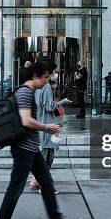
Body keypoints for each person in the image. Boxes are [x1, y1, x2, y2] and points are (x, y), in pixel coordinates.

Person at [0, 62, 81, 219]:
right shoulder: (25, 92)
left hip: (31, 149)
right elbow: (26, 121)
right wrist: (46, 127)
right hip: (23, 149)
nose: (47, 81)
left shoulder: (29, 91)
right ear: (35, 76)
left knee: (47, 182)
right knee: (15, 188)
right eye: (46, 77)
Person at [30, 63, 72, 192]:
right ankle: (44, 185)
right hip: (48, 126)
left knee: (45, 156)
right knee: (47, 158)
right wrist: (62, 102)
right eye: (54, 71)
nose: (55, 74)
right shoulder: (46, 86)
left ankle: (35, 181)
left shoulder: (37, 86)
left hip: (42, 125)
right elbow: (49, 106)